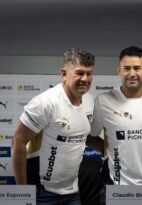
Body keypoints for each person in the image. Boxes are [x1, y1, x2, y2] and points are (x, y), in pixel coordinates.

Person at [12, 48, 95, 205]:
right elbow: (18, 141)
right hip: (41, 193)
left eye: (89, 73)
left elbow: (83, 135)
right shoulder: (45, 103)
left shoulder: (89, 101)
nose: (85, 79)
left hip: (73, 193)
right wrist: (22, 193)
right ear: (63, 74)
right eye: (79, 73)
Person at [88, 45, 142, 186]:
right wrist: (108, 151)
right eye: (127, 68)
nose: (132, 73)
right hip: (115, 183)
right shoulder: (103, 101)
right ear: (119, 71)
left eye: (137, 68)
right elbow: (89, 136)